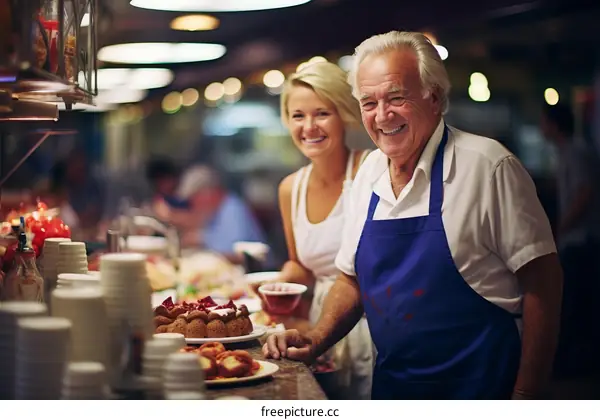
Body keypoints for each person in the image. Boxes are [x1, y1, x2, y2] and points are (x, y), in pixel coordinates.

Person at [263, 31, 563, 400]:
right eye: (369, 102)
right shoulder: (370, 171)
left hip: (481, 387)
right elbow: (351, 280)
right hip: (394, 387)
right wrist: (315, 338)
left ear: (434, 97)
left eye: (396, 98)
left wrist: (527, 392)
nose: (383, 115)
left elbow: (543, 283)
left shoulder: (487, 166)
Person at [276, 61, 374, 399]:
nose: (309, 126)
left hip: (374, 327)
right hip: (321, 330)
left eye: (322, 113)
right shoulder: (290, 188)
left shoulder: (371, 170)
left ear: (344, 113)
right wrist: (276, 286)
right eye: (297, 115)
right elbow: (300, 265)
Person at [540, 103, 600, 377]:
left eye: (544, 122)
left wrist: (560, 229)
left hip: (580, 241)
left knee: (575, 304)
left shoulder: (575, 152)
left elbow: (583, 193)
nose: (541, 127)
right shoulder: (568, 152)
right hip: (575, 240)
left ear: (554, 125)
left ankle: (573, 368)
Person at [155, 164, 267, 262]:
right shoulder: (217, 210)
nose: (194, 205)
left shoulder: (232, 209)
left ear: (207, 193)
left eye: (194, 199)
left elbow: (235, 254)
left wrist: (202, 239)